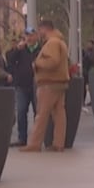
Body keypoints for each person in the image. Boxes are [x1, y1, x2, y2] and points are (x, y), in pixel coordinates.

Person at [21, 19, 70, 152]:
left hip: (49, 83)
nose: (39, 32)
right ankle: (59, 143)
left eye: (40, 29)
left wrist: (37, 63)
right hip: (60, 82)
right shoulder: (60, 41)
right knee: (59, 114)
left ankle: (34, 144)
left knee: (41, 114)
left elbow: (53, 61)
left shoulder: (52, 43)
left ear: (44, 29)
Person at [5, 28, 41, 147]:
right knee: (21, 111)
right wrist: (17, 50)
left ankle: (38, 138)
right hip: (21, 85)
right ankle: (22, 138)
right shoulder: (20, 50)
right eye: (27, 36)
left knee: (38, 112)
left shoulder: (41, 49)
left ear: (36, 36)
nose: (29, 38)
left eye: (31, 35)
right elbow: (9, 60)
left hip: (36, 85)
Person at [81, 40, 94, 105]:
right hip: (86, 70)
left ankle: (92, 100)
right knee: (84, 86)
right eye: (87, 43)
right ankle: (83, 100)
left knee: (91, 86)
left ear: (93, 45)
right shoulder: (86, 51)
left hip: (91, 70)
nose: (88, 45)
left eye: (89, 44)